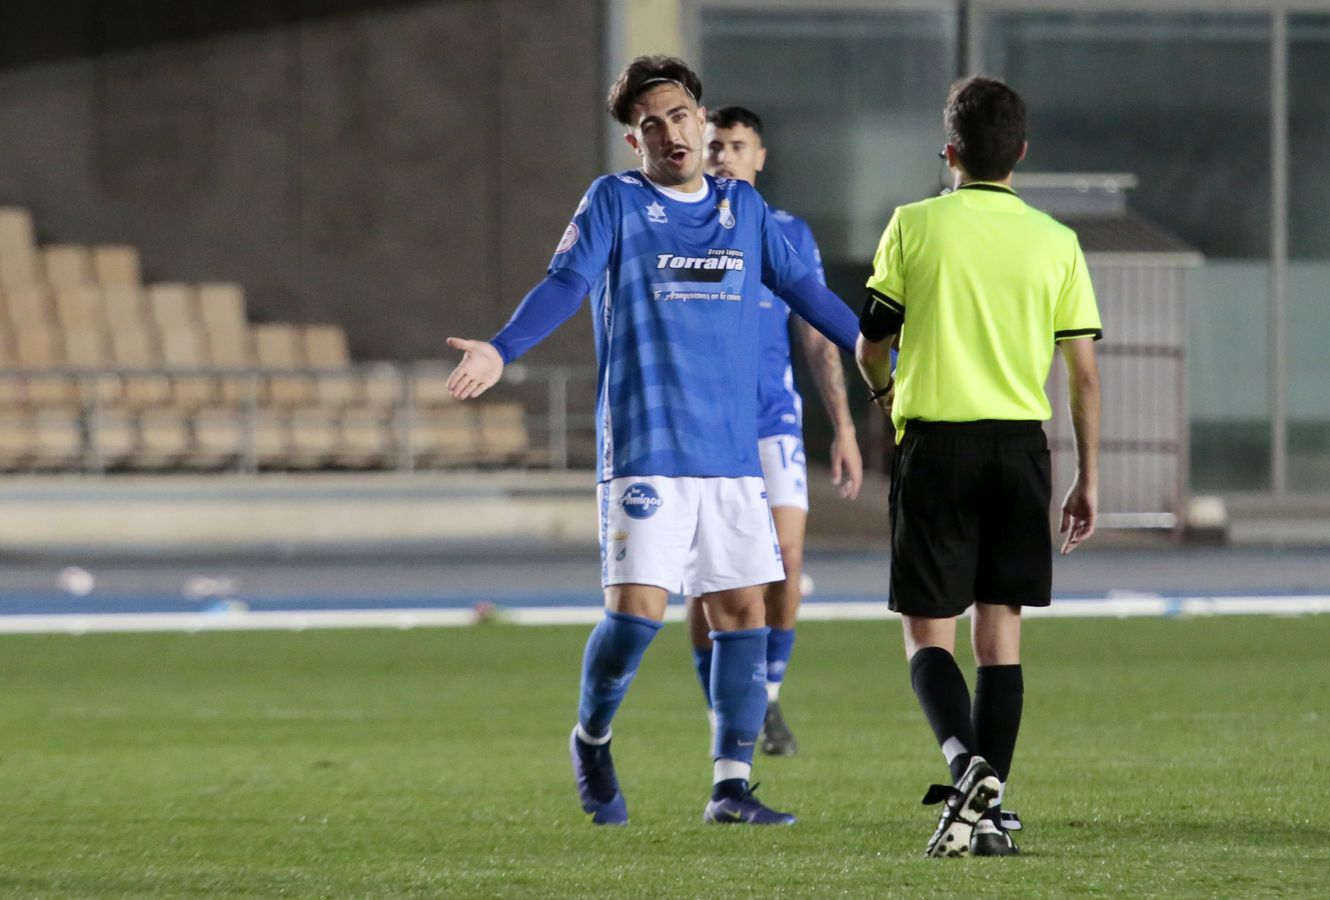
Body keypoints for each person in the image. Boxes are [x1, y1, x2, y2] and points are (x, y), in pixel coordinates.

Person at [444, 55, 861, 827]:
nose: (670, 133)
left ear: (704, 124)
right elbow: (566, 284)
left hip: (732, 455)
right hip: (645, 446)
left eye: (680, 117)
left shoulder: (746, 211)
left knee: (744, 613)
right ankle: (591, 738)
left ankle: (731, 787)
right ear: (634, 144)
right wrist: (502, 348)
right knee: (636, 615)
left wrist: (886, 361)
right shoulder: (615, 202)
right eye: (650, 126)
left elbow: (810, 295)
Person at [854, 75, 1103, 858]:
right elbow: (1084, 373)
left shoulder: (914, 225)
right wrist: (1086, 477)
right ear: (1021, 153)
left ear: (949, 151)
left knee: (928, 631)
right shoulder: (1056, 241)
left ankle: (964, 768)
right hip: (1021, 449)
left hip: (936, 445)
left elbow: (872, 339)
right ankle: (990, 815)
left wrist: (883, 390)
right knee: (1001, 636)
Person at [684, 105, 863, 758]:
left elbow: (816, 336)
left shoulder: (787, 232)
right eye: (714, 146)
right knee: (710, 579)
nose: (724, 156)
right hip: (703, 428)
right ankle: (721, 717)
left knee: (785, 559)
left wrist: (843, 425)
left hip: (771, 422)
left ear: (760, 157)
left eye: (736, 146)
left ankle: (770, 698)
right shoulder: (683, 228)